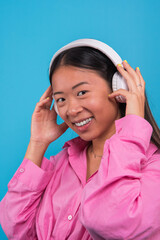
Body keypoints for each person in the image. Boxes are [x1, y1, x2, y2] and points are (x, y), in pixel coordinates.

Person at [0, 39, 160, 240]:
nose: (72, 109)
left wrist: (133, 122)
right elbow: (16, 229)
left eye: (82, 93)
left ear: (120, 89)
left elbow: (113, 224)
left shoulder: (154, 169)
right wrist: (37, 143)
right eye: (61, 99)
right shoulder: (62, 163)